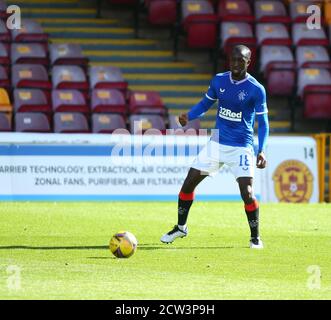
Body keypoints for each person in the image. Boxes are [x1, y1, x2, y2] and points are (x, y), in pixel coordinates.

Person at [160, 45, 269, 249]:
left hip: (241, 147)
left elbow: (263, 123)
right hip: (217, 144)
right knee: (188, 183)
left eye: (241, 60)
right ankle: (181, 227)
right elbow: (204, 104)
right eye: (233, 59)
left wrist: (261, 149)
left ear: (249, 62)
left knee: (247, 192)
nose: (236, 63)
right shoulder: (219, 80)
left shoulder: (256, 89)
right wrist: (189, 116)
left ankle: (255, 237)